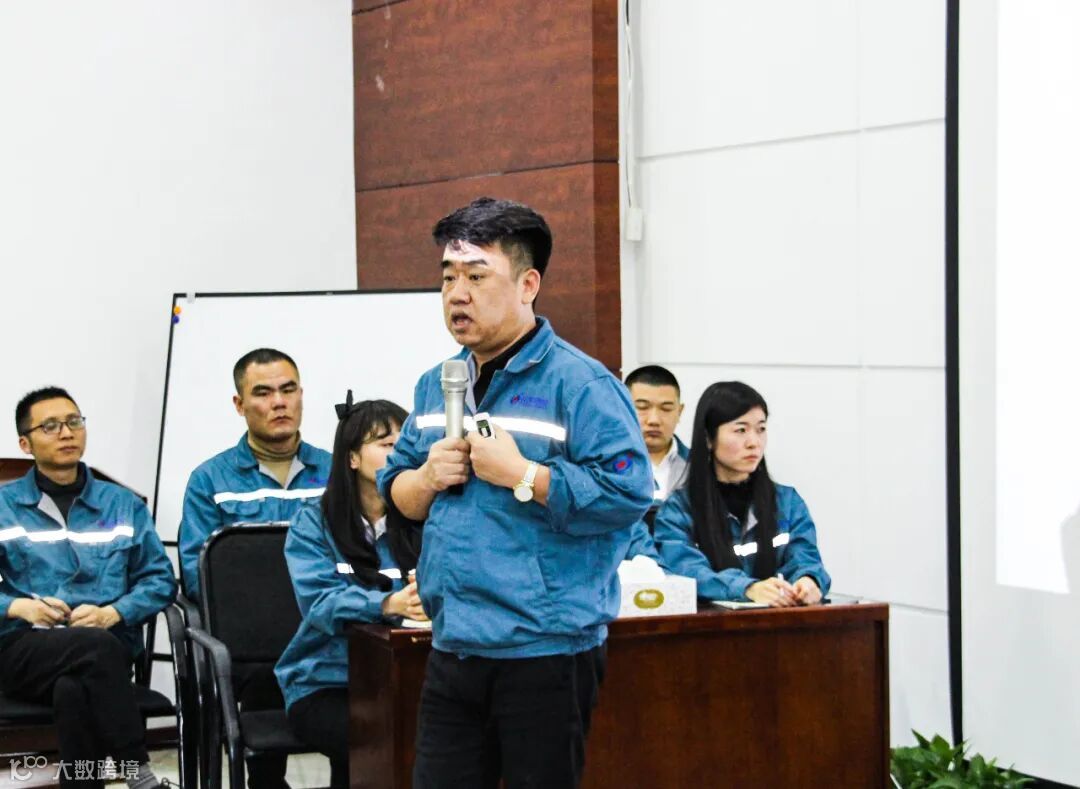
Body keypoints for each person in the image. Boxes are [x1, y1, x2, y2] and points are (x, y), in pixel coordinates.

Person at [378, 197, 653, 788]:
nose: (457, 295)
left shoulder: (582, 385)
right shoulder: (437, 384)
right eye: (448, 278)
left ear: (528, 285)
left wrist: (525, 475)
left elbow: (629, 493)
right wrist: (425, 479)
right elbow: (394, 491)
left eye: (477, 277)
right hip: (453, 644)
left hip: (546, 653)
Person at [0, 387, 176, 789]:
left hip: (107, 647)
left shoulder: (123, 505)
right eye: (50, 426)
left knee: (73, 689)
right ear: (25, 443)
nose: (66, 432)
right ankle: (139, 773)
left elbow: (159, 579)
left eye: (74, 422)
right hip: (26, 649)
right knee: (93, 649)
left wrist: (113, 613)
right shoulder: (3, 506)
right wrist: (19, 607)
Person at [178, 348, 331, 789]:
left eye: (288, 390)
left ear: (301, 395)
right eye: (263, 393)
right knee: (268, 656)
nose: (279, 402)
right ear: (239, 404)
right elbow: (197, 571)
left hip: (325, 626)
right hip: (252, 640)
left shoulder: (337, 470)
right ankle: (266, 781)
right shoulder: (210, 480)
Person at [275, 394, 425, 788]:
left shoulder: (423, 518)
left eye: (406, 444)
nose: (400, 454)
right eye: (386, 444)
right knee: (377, 737)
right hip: (326, 681)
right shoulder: (313, 524)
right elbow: (320, 603)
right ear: (352, 458)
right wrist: (389, 603)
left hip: (406, 677)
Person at [653, 381, 830, 606]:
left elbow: (805, 558)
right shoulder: (678, 511)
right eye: (741, 430)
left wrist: (809, 580)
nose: (754, 442)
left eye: (761, 429)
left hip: (782, 620)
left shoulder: (787, 502)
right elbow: (687, 571)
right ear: (708, 438)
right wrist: (747, 588)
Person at [625, 365, 688, 502]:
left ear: (679, 412)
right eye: (642, 407)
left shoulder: (701, 467)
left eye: (666, 409)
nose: (654, 420)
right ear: (623, 408)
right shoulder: (603, 465)